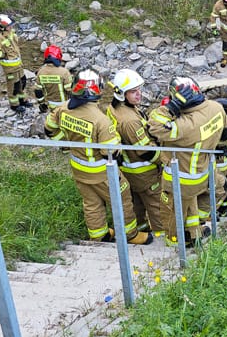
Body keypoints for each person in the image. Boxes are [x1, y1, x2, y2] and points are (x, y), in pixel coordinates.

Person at [45, 69, 153, 245]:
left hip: (78, 168)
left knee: (91, 202)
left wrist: (66, 144)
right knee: (122, 198)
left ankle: (99, 235)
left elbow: (49, 129)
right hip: (101, 171)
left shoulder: (62, 109)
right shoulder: (100, 120)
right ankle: (131, 235)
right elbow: (110, 151)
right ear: (98, 91)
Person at [147, 76, 227, 246]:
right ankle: (194, 231)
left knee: (172, 212)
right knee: (193, 206)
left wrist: (172, 106)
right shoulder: (216, 108)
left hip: (180, 179)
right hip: (204, 172)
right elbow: (226, 133)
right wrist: (220, 146)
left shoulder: (185, 125)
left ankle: (174, 242)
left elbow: (153, 125)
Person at [106, 68, 164, 236]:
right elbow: (146, 152)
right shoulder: (130, 121)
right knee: (157, 205)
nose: (139, 94)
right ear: (121, 94)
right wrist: (165, 159)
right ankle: (164, 237)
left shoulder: (114, 108)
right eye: (133, 91)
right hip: (144, 173)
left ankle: (141, 228)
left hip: (128, 169)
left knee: (137, 203)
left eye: (139, 89)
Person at [0, 14, 31, 113]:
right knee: (14, 87)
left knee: (22, 82)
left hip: (18, 65)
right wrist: (4, 55)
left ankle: (23, 100)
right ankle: (14, 105)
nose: (11, 27)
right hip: (10, 68)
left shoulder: (10, 32)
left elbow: (14, 41)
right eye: (9, 26)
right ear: (3, 27)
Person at [34, 45, 73, 114]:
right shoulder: (64, 72)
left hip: (50, 104)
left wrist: (42, 103)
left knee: (54, 119)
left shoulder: (41, 72)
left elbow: (38, 91)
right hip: (64, 104)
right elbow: (70, 90)